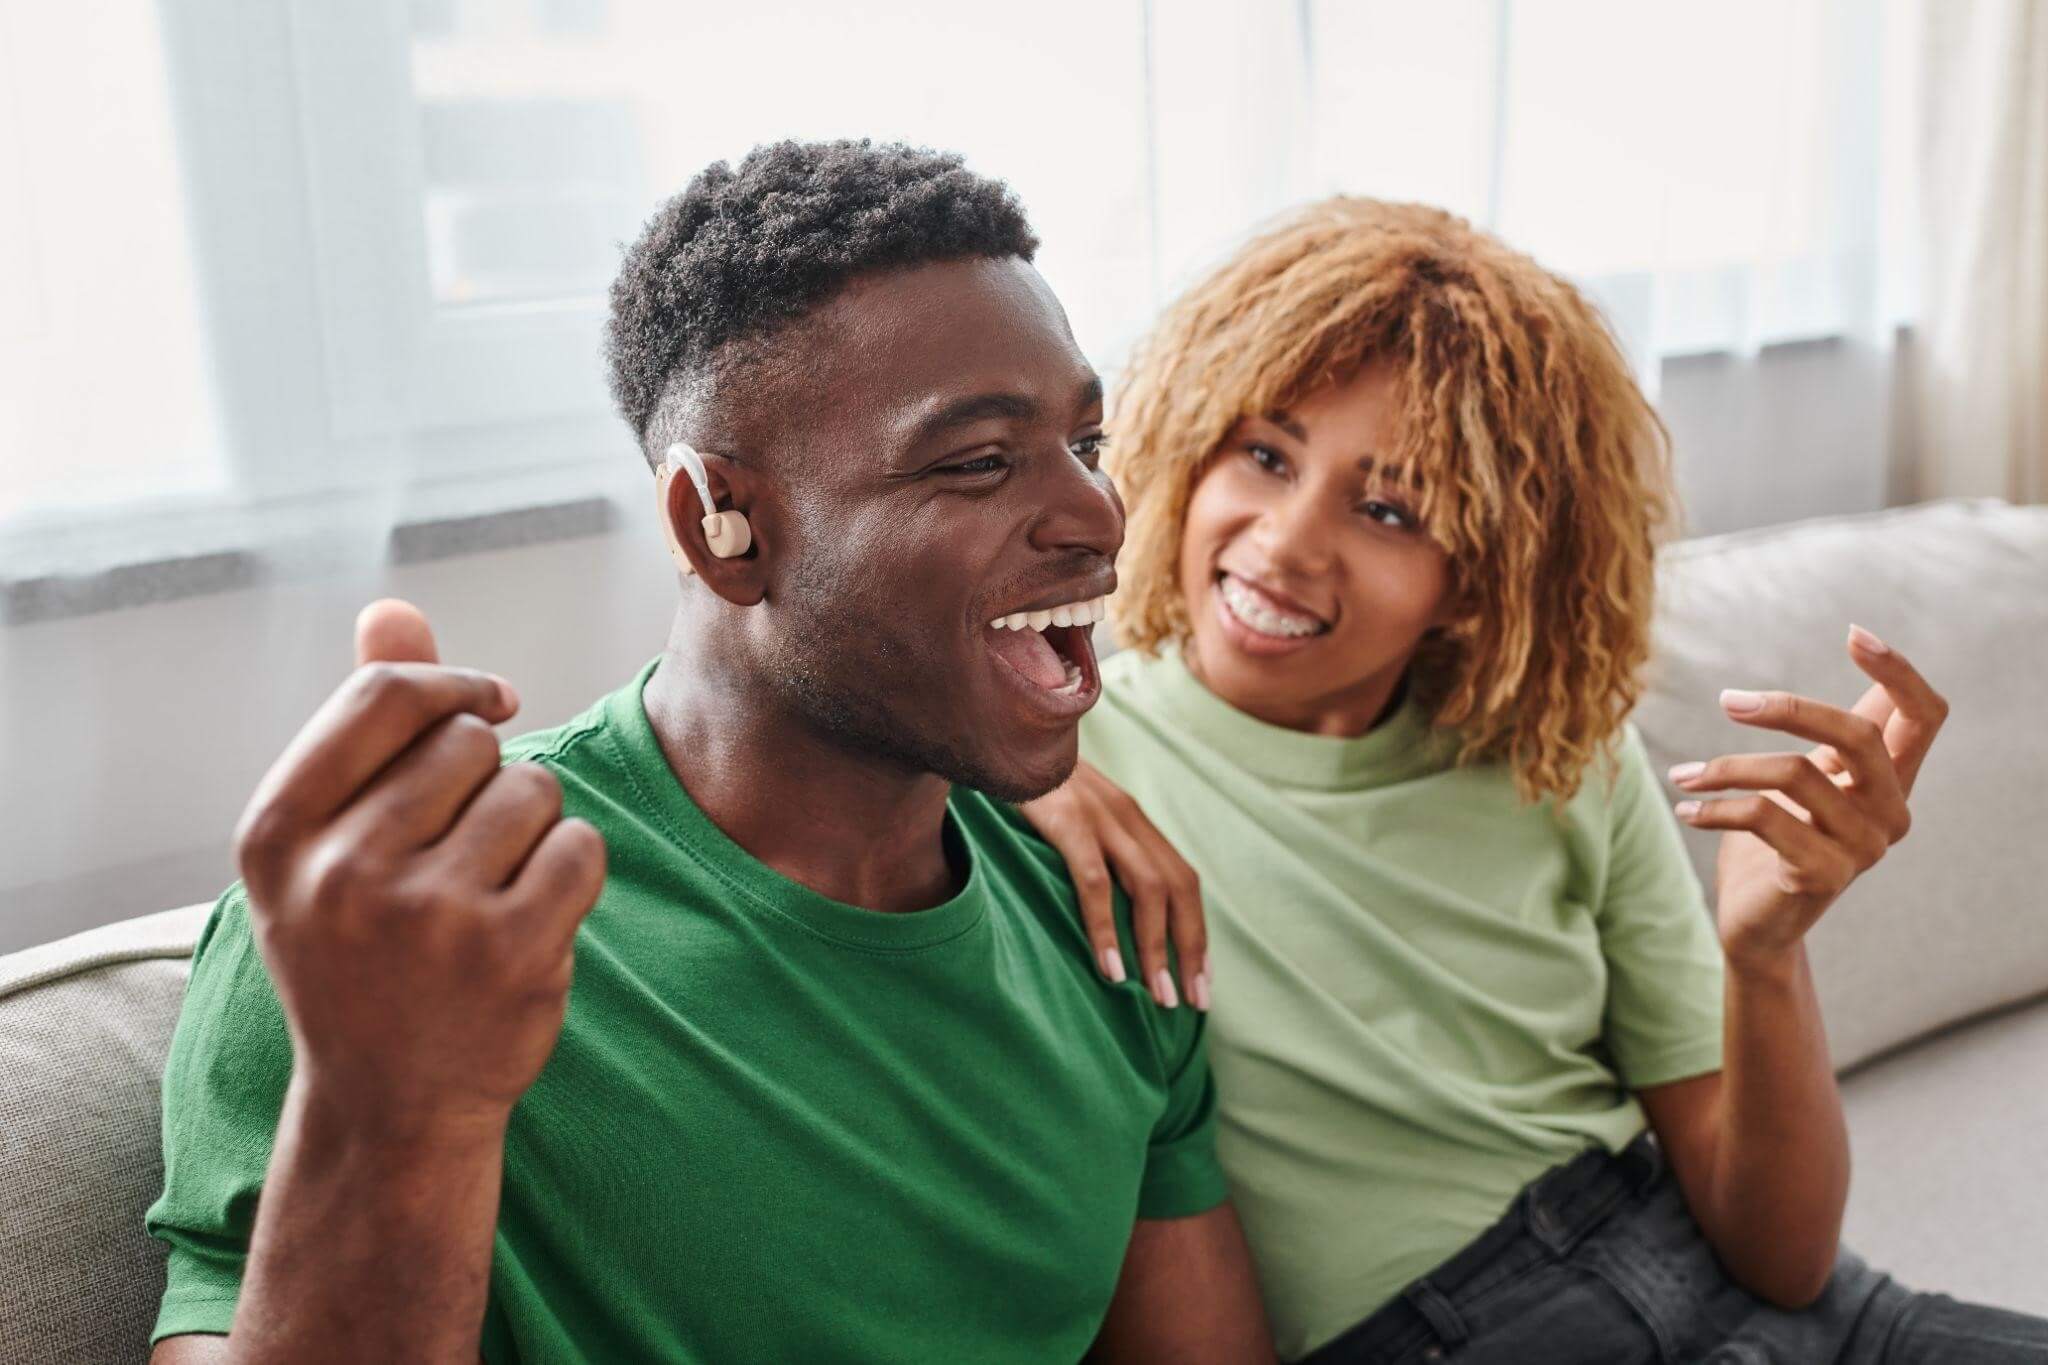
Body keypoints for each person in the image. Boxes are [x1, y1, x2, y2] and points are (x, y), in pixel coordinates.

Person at [142, 140, 1273, 1364]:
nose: (1098, 516)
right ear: (718, 528)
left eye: (1085, 448)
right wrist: (399, 1108)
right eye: (978, 463)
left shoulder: (1102, 914)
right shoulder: (390, 943)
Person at [1019, 197, 2048, 1362]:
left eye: (1387, 509)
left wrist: (1764, 956)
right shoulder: (1062, 761)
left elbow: (1786, 1255)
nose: (1287, 540)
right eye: (1263, 454)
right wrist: (1020, 774)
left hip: (1766, 1297)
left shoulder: (1556, 757)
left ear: (1477, 576)